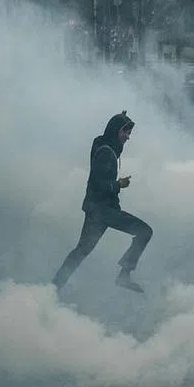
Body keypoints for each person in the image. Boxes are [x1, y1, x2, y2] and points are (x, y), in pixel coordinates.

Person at [52, 111, 152, 294]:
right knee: (145, 231)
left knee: (81, 252)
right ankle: (124, 275)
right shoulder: (106, 152)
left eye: (129, 133)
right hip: (103, 211)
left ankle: (54, 287)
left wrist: (119, 119)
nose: (128, 137)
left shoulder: (105, 146)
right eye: (125, 132)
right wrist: (118, 184)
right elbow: (98, 184)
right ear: (115, 132)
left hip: (97, 211)